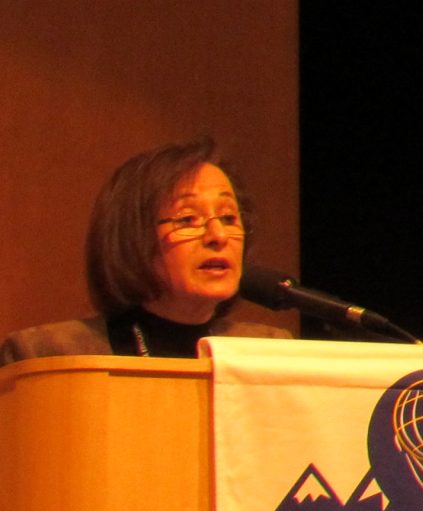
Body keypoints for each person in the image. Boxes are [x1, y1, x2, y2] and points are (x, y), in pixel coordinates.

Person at [0, 139, 294, 365]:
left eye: (229, 218)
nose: (218, 236)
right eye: (187, 219)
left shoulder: (270, 353)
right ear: (133, 236)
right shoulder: (51, 353)